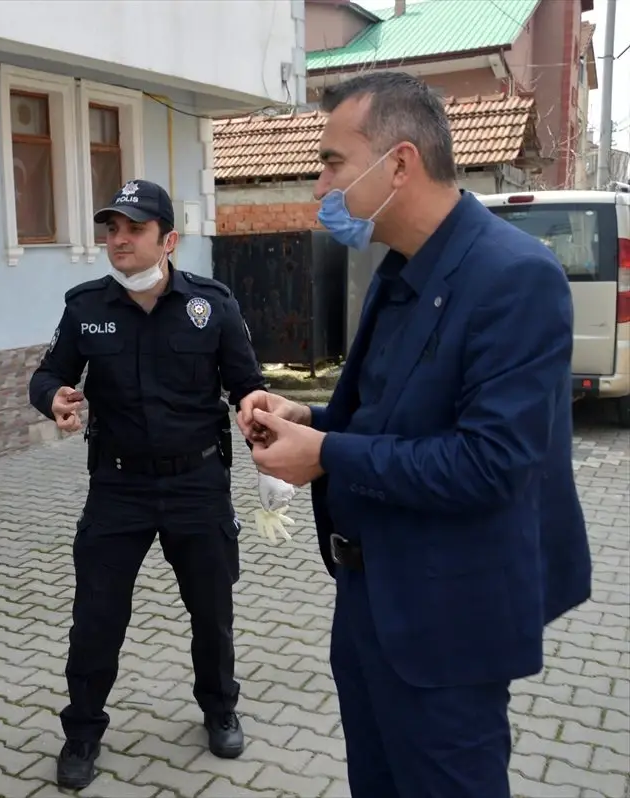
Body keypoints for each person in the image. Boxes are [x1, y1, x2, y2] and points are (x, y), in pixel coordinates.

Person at [237, 72, 592, 798]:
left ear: (398, 163)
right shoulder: (399, 270)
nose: (318, 187)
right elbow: (387, 421)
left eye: (333, 163)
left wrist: (328, 453)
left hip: (447, 625)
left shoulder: (513, 277)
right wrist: (312, 421)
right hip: (371, 601)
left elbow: (493, 463)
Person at [28, 178, 270, 790]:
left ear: (169, 240)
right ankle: (82, 732)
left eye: (133, 229)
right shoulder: (85, 307)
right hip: (118, 488)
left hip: (197, 484)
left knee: (211, 610)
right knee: (96, 616)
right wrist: (51, 397)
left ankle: (220, 709)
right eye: (111, 229)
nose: (118, 240)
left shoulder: (212, 305)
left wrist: (259, 421)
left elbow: (247, 384)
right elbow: (49, 373)